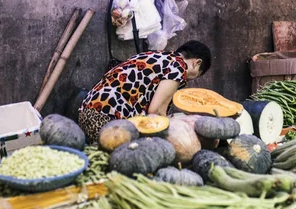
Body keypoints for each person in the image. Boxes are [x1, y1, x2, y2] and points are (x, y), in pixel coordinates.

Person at [78, 40, 212, 142]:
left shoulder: (157, 55)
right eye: (197, 75)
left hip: (89, 112)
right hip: (107, 121)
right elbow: (156, 111)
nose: (189, 79)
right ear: (197, 63)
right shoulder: (178, 66)